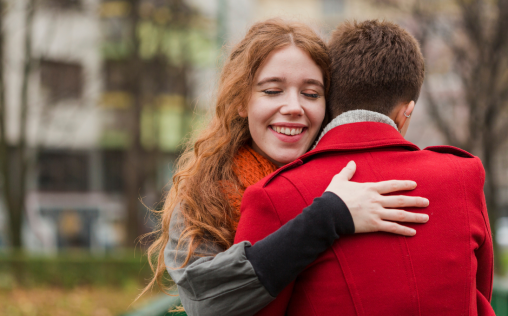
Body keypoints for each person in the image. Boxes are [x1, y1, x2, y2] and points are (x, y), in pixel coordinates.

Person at [142, 19, 430, 316]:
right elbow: (207, 301)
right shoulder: (205, 193)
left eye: (311, 94)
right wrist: (326, 218)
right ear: (242, 100)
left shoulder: (354, 182)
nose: (293, 107)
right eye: (272, 91)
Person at [235, 19, 494, 316]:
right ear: (406, 112)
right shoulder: (462, 175)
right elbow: (479, 294)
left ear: (330, 100)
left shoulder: (273, 195)